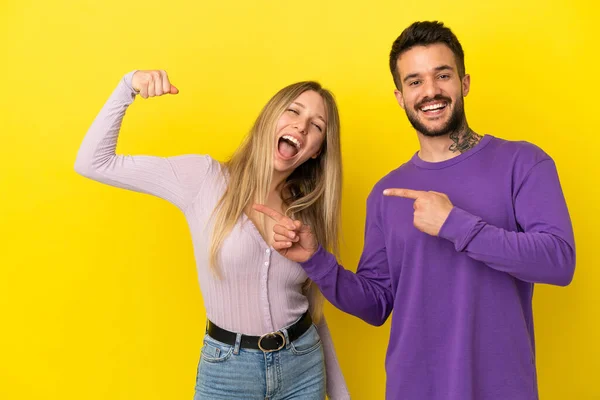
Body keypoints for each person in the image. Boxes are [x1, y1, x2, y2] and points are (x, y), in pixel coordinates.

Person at [254, 21, 576, 400]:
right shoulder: (387, 194)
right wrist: (316, 260)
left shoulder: (523, 163)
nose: (431, 91)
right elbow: (376, 305)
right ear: (400, 96)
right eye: (415, 81)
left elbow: (558, 262)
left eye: (443, 75)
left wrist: (456, 225)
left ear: (465, 82)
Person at [74, 70, 350, 400]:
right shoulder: (203, 179)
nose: (302, 126)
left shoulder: (306, 211)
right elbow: (93, 163)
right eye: (293, 110)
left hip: (302, 365)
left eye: (316, 125)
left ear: (317, 150)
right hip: (228, 371)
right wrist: (127, 86)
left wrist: (342, 395)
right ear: (268, 118)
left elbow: (312, 312)